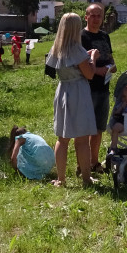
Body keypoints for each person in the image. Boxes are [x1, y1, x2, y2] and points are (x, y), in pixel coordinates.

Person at [46, 12, 99, 187]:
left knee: (62, 138)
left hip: (63, 91)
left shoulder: (56, 49)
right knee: (82, 139)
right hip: (78, 92)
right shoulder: (77, 49)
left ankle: (61, 179)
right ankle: (86, 178)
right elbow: (89, 74)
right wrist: (92, 58)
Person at [81, 3, 115, 176]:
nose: (96, 19)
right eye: (92, 15)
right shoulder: (81, 37)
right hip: (86, 88)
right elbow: (78, 64)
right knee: (85, 129)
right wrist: (96, 70)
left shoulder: (104, 36)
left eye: (99, 16)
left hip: (103, 87)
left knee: (99, 128)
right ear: (86, 17)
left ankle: (94, 162)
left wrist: (110, 67)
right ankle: (83, 164)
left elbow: (111, 59)